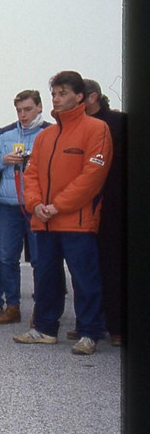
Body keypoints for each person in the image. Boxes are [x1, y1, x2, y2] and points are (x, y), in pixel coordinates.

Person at [14, 71, 112, 355]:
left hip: (77, 222)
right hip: (44, 221)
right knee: (46, 276)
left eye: (63, 93)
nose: (56, 98)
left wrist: (58, 206)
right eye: (54, 94)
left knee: (84, 278)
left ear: (79, 96)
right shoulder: (45, 136)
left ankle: (89, 333)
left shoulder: (97, 129)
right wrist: (36, 205)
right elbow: (31, 173)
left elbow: (92, 176)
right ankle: (44, 328)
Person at [0, 90, 51, 325]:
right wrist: (3, 160)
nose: (23, 115)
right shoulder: (3, 135)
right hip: (9, 206)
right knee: (6, 258)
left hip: (38, 207)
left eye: (28, 109)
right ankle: (12, 306)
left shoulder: (51, 133)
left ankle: (42, 309)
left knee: (41, 259)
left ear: (39, 107)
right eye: (19, 110)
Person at [83, 78, 126, 347]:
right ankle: (92, 324)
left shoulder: (119, 123)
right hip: (85, 204)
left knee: (113, 266)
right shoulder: (77, 126)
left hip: (114, 204)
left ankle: (118, 326)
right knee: (89, 267)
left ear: (92, 97)